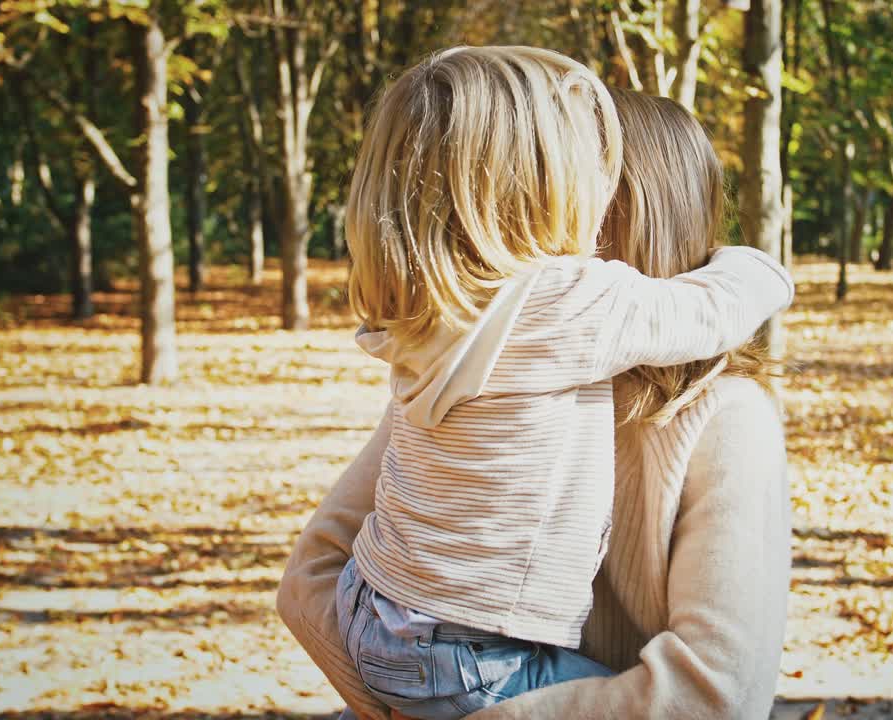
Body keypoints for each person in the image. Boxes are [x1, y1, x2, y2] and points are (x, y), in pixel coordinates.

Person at [276, 82, 793, 720]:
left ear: (609, 206)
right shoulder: (483, 360)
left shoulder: (723, 419)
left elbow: (714, 697)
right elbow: (313, 574)